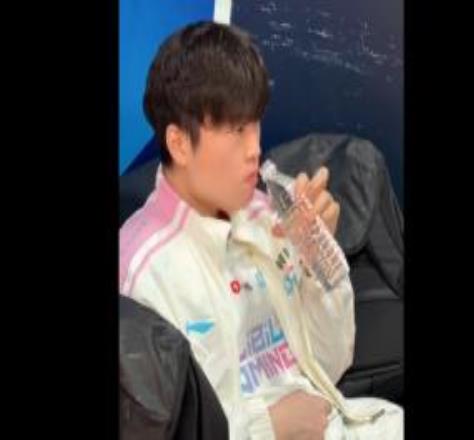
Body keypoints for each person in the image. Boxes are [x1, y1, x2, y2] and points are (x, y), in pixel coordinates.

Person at [119, 20, 403, 439]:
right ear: (179, 143)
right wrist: (269, 425)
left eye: (255, 124)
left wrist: (318, 260)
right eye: (236, 130)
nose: (255, 148)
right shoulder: (143, 274)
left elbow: (329, 365)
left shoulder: (266, 215)